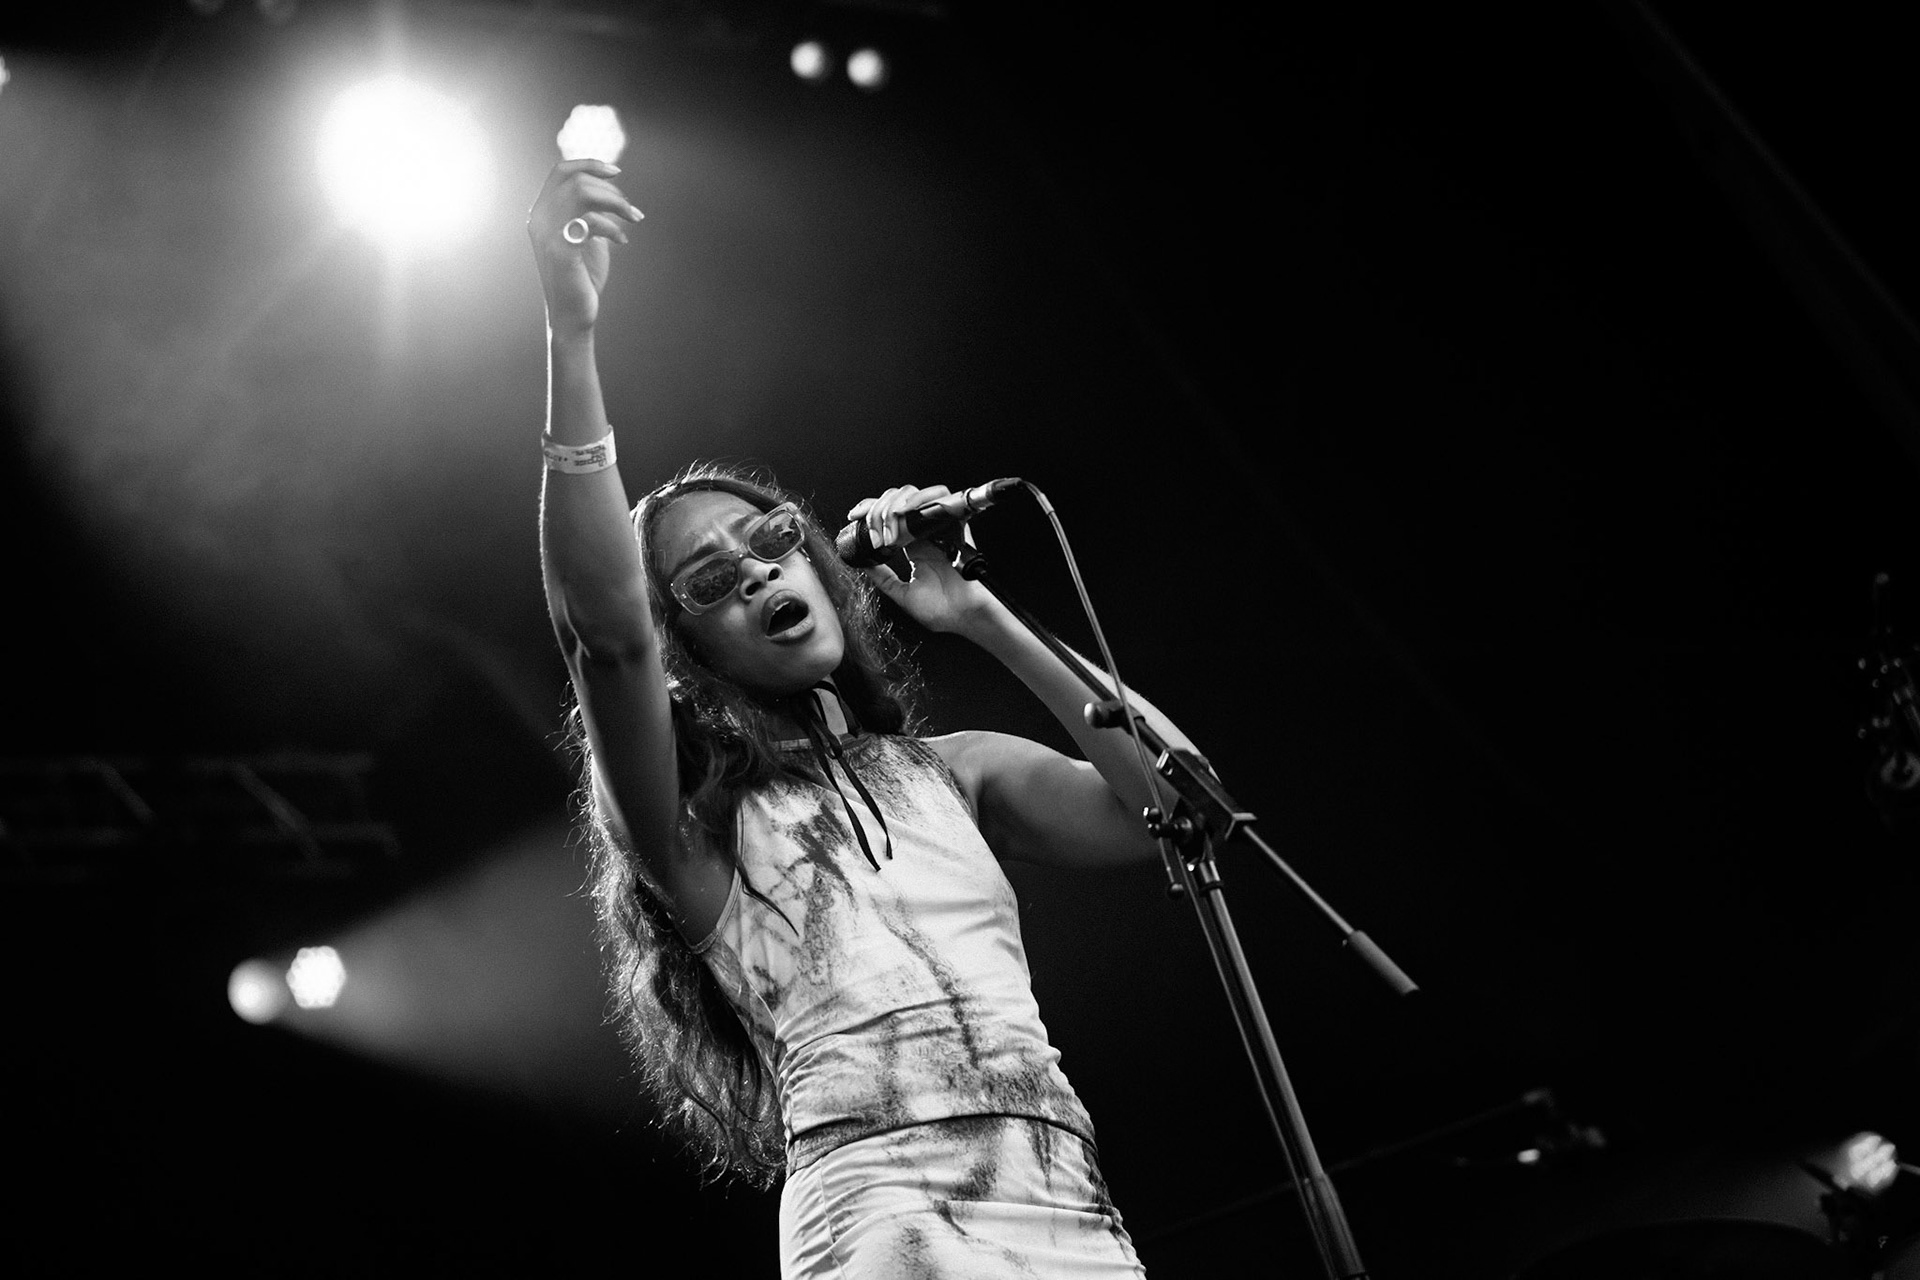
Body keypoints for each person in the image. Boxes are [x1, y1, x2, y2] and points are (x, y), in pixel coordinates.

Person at [529, 157, 1202, 1278]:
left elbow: (1179, 809)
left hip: (1064, 1196)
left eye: (772, 539)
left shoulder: (956, 771)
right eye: (706, 582)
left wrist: (982, 615)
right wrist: (570, 333)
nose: (753, 572)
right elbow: (604, 634)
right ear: (687, 656)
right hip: (878, 1203)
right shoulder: (692, 830)